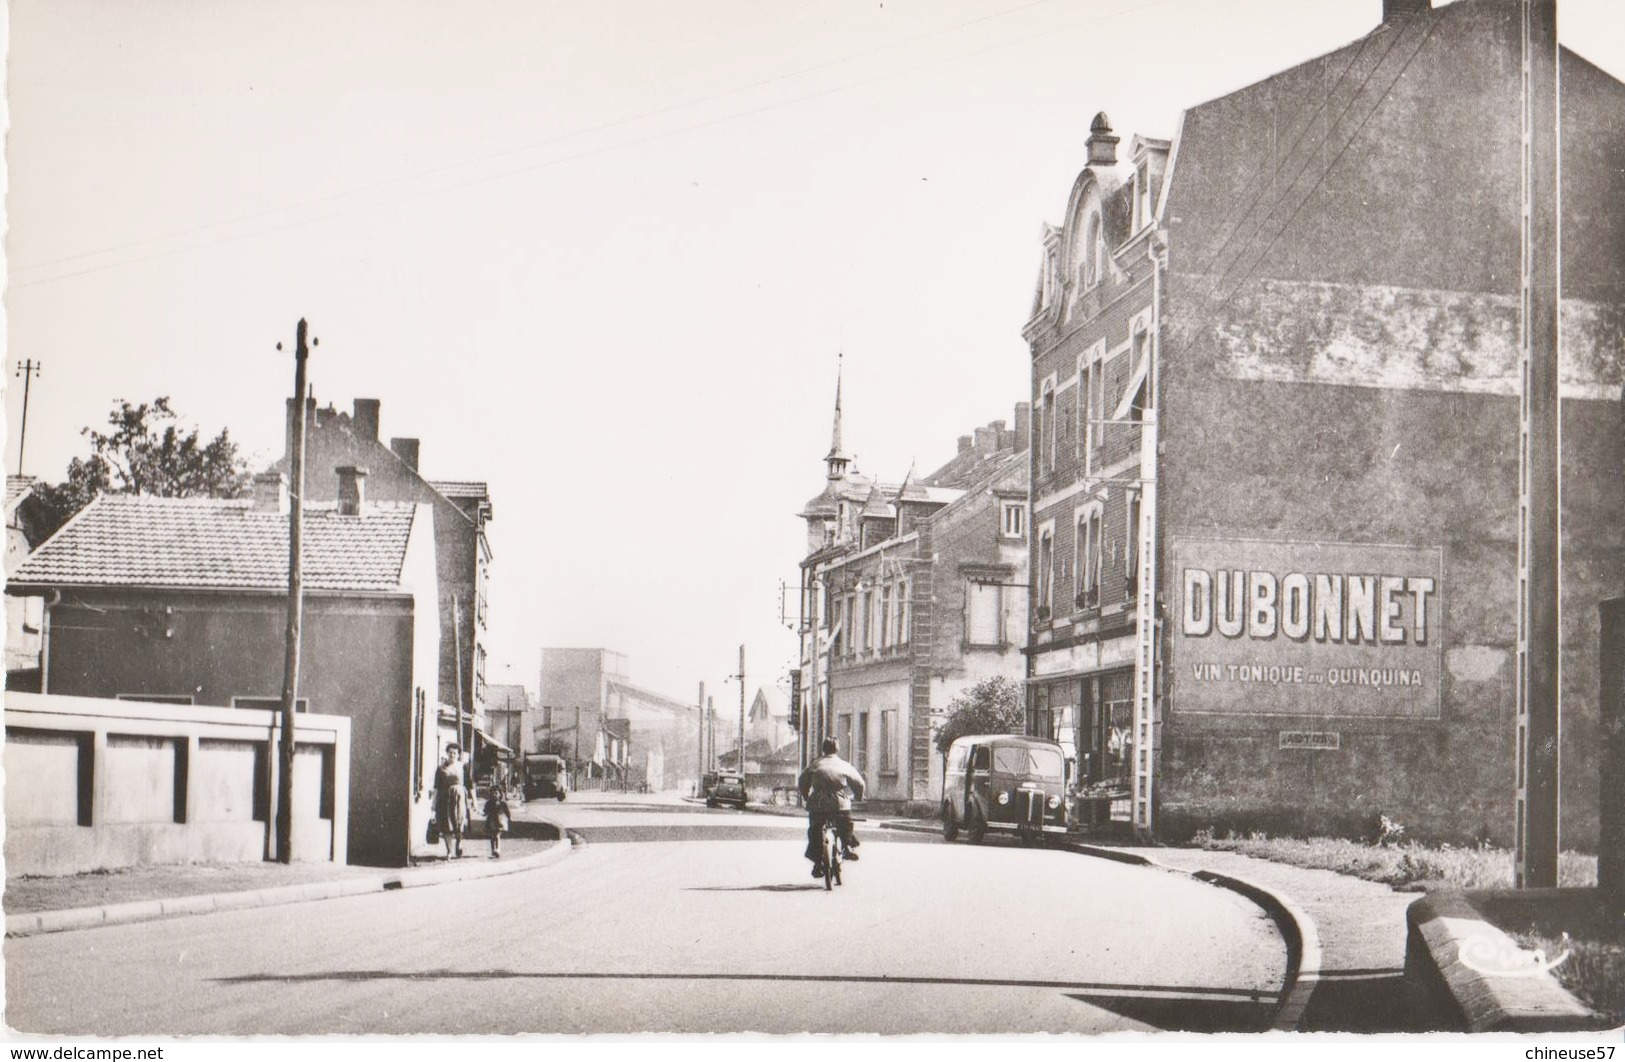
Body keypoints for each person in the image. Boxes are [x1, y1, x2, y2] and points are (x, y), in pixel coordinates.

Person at [798, 737, 866, 877]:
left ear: (823, 749)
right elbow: (859, 783)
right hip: (839, 803)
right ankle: (847, 846)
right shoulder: (844, 765)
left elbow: (802, 781)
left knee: (815, 831)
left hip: (818, 804)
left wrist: (806, 796)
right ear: (837, 749)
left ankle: (818, 863)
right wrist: (858, 797)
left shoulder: (815, 764)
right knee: (845, 824)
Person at [434, 744, 470, 859]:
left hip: (459, 798)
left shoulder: (463, 767)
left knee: (458, 822)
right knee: (446, 824)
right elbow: (436, 787)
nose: (452, 755)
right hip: (445, 798)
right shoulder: (441, 768)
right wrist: (433, 803)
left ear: (458, 754)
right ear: (447, 753)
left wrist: (474, 801)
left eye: (455, 753)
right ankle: (449, 851)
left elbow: (470, 785)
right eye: (450, 752)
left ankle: (459, 842)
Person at [484, 777, 512, 859]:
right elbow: (485, 811)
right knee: (492, 836)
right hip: (491, 821)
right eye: (492, 793)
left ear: (500, 794)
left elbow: (507, 811)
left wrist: (509, 818)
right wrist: (484, 813)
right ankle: (493, 850)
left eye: (496, 793)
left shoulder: (502, 803)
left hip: (500, 821)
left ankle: (498, 849)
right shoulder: (489, 803)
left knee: (497, 835)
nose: (494, 795)